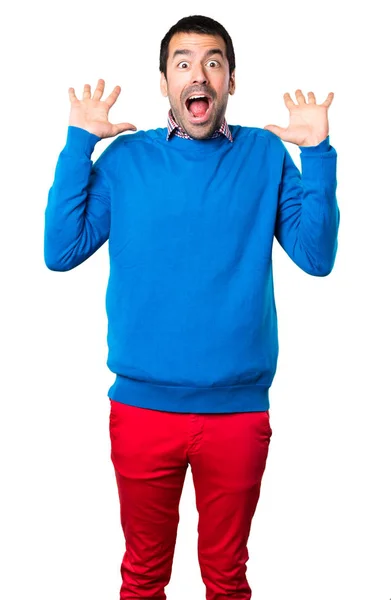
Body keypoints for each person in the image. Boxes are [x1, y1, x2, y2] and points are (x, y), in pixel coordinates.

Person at [44, 13, 340, 600]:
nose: (198, 74)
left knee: (227, 580)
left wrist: (320, 155)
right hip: (142, 412)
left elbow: (316, 256)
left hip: (237, 415)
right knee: (143, 577)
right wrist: (79, 145)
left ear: (231, 80)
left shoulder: (264, 154)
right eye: (183, 63)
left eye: (213, 62)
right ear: (164, 83)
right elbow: (61, 250)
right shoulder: (127, 160)